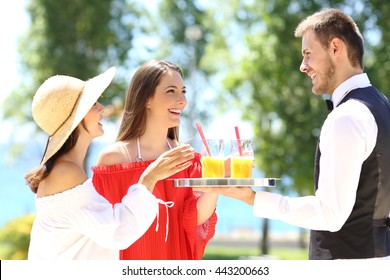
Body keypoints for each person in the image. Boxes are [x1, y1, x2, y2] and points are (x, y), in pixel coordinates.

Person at [198, 8, 390, 260]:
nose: (303, 66)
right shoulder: (382, 105)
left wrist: (254, 199)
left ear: (335, 48)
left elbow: (331, 215)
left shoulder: (347, 117)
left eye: (308, 55)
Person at [25, 67, 196, 260]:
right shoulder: (66, 172)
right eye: (93, 104)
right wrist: (150, 177)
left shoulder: (65, 169)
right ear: (76, 117)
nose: (101, 108)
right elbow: (117, 231)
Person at [92, 60, 218, 260]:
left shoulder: (187, 157)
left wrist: (214, 186)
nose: (182, 100)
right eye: (171, 91)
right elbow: (104, 228)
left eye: (183, 91)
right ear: (146, 99)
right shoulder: (114, 159)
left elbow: (194, 219)